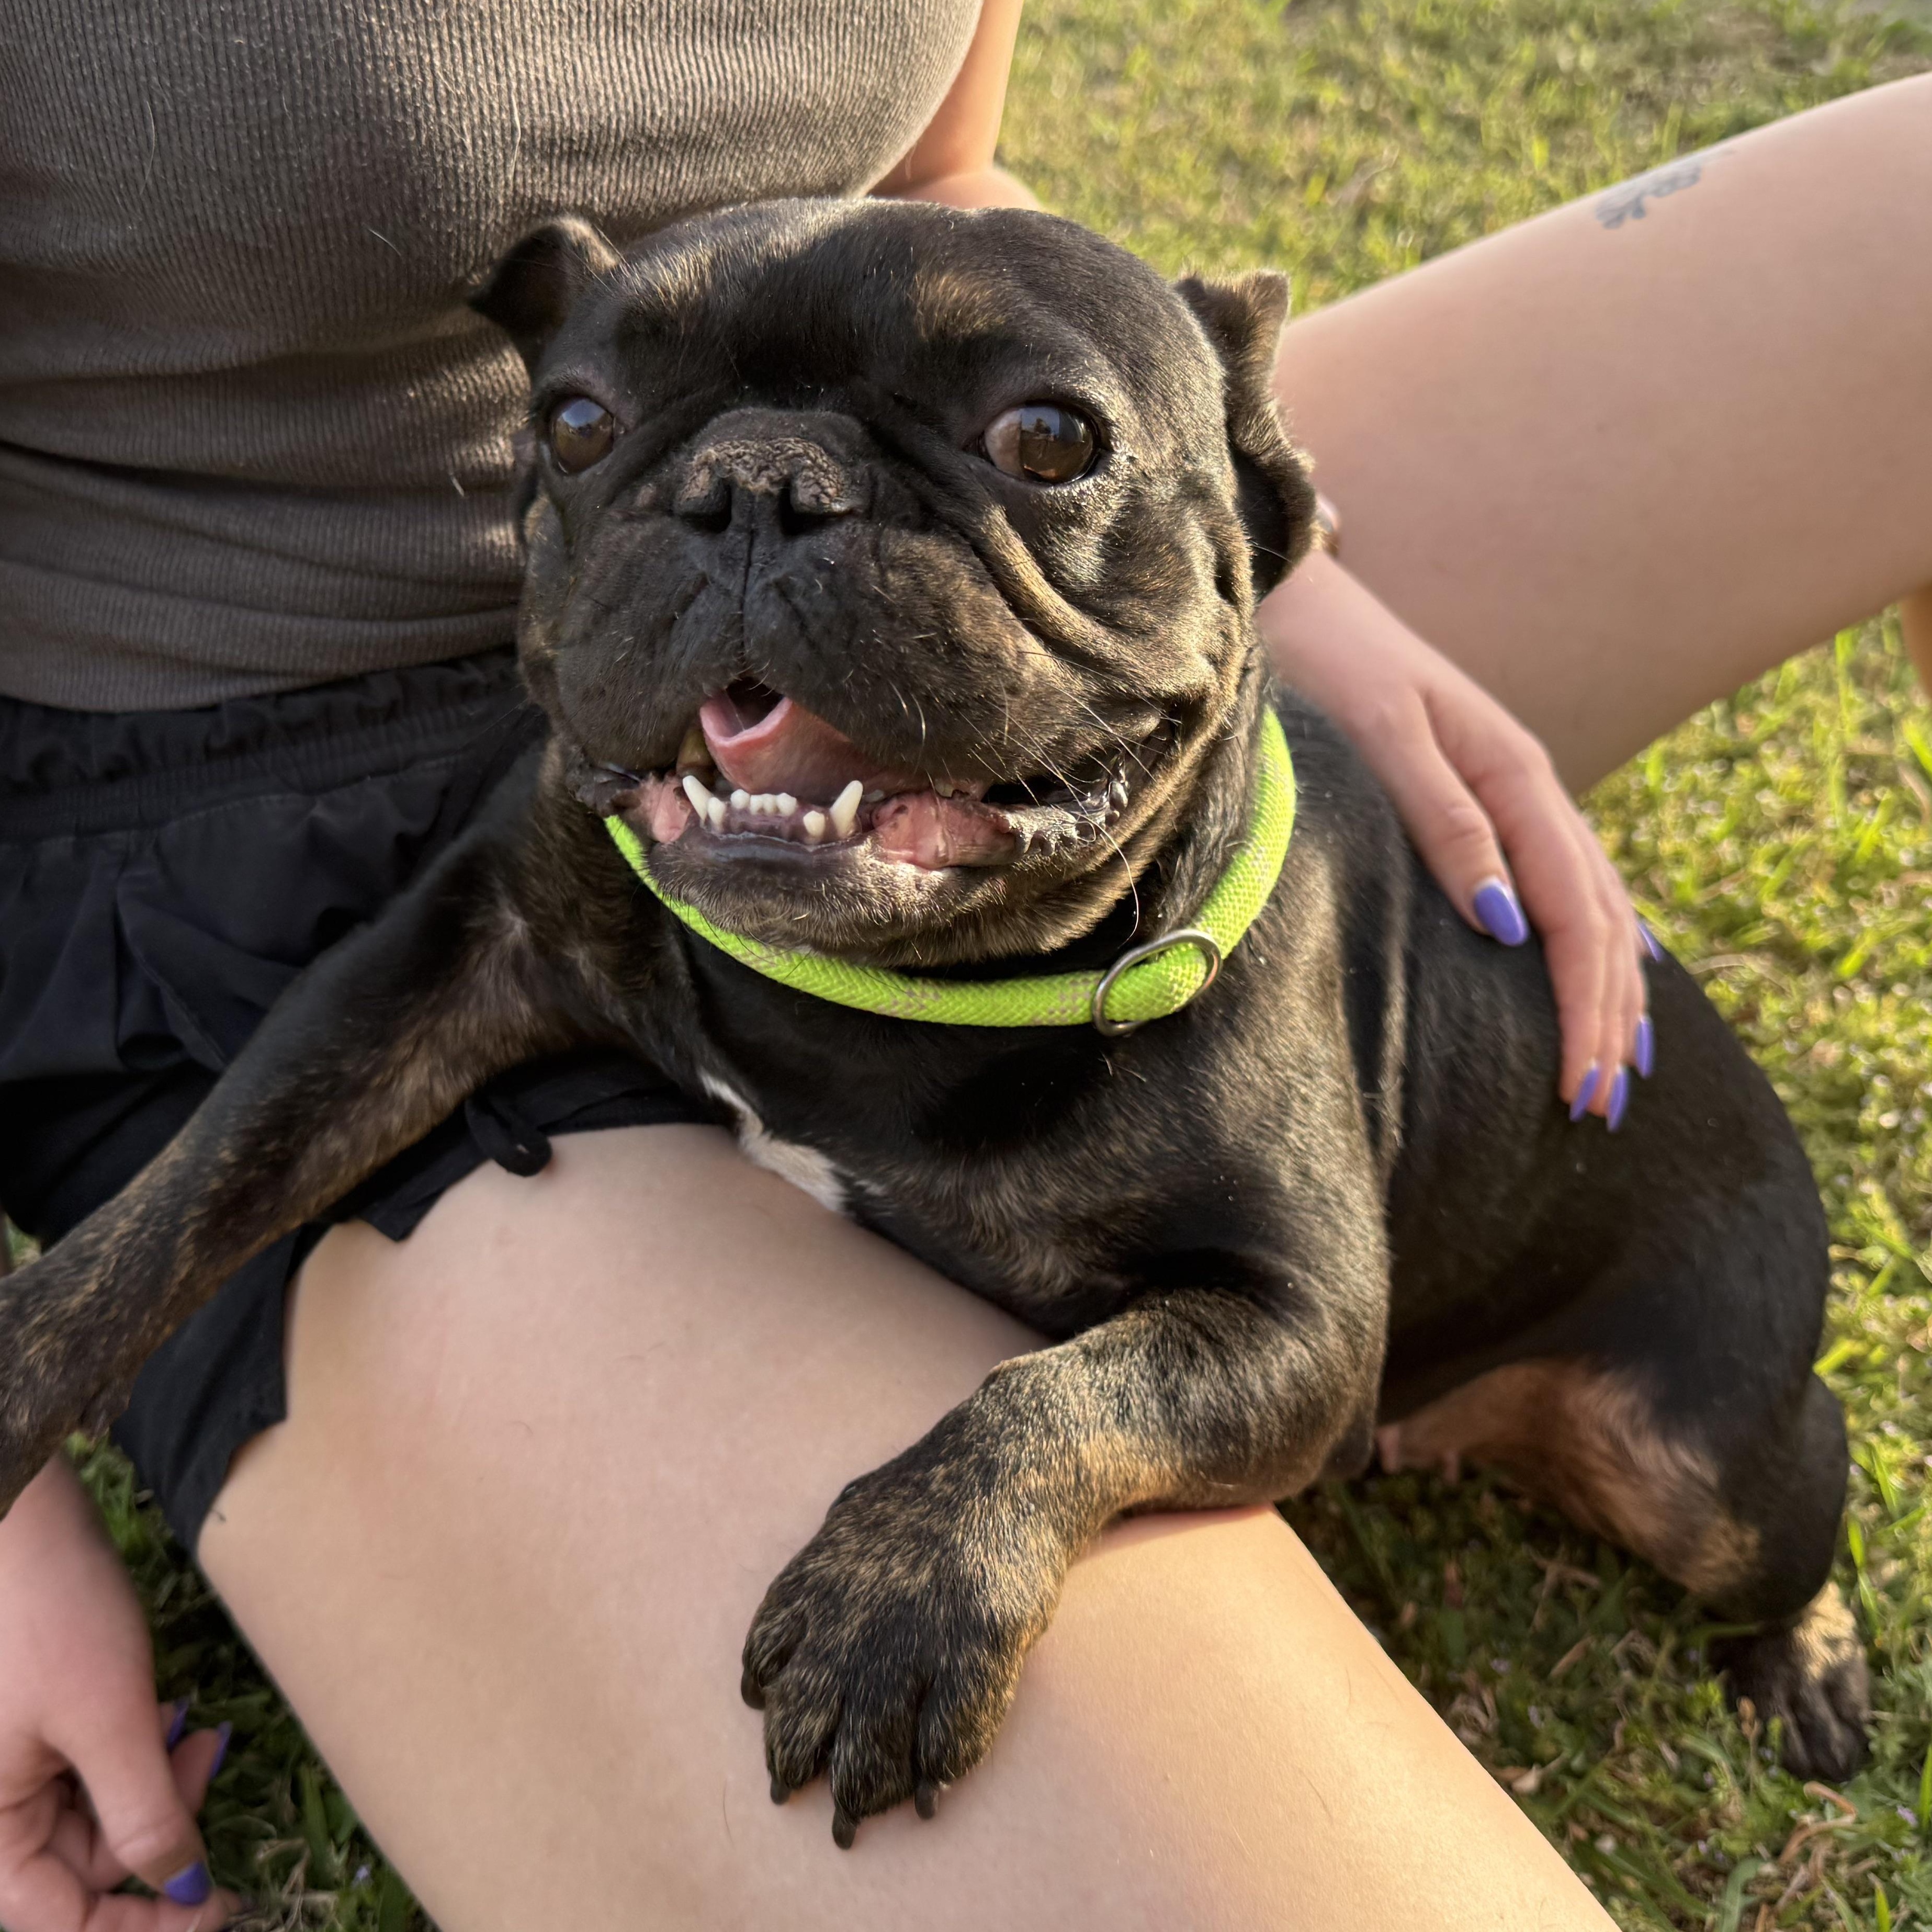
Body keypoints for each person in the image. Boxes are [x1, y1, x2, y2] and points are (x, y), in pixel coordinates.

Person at [0, 0, 1925, 1918]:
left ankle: (1794, 1589)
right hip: (246, 789)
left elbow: (933, 181)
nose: (775, 500)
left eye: (1054, 432)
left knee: (1718, 1511)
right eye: (579, 412)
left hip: (919, 649)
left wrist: (1308, 587)